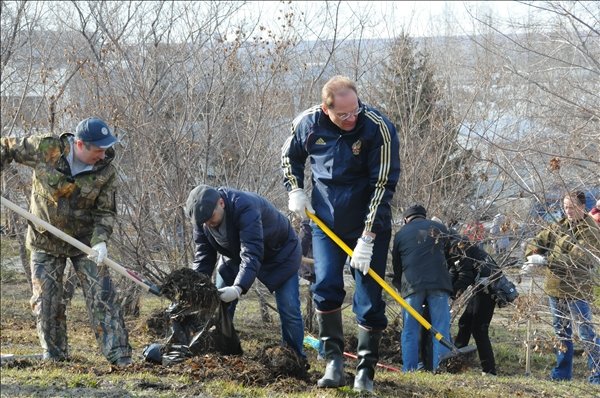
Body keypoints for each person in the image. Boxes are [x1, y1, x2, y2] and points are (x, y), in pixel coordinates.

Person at [281, 75, 400, 392]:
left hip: (368, 221)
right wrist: (295, 191)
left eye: (355, 111)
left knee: (368, 296)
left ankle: (365, 371)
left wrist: (368, 237)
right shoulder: (308, 124)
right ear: (326, 109)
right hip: (325, 222)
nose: (351, 119)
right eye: (343, 115)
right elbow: (289, 157)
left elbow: (383, 186)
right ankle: (334, 363)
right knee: (327, 285)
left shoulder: (377, 128)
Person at [0, 117, 132, 366]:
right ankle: (55, 357)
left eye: (106, 149)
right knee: (46, 301)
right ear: (80, 144)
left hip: (86, 242)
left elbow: (106, 212)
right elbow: (6, 146)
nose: (103, 155)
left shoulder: (105, 170)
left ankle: (120, 356)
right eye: (98, 150)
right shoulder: (46, 149)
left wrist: (100, 241)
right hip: (44, 238)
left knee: (102, 295)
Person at [184, 184, 306, 361]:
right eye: (204, 221)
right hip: (235, 255)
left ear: (221, 203)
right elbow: (204, 256)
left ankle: (294, 358)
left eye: (211, 217)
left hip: (279, 253)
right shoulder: (202, 218)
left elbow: (251, 253)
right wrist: (194, 286)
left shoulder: (245, 206)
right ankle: (219, 352)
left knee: (289, 308)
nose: (209, 223)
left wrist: (238, 288)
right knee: (218, 305)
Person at [523, 190, 600, 384]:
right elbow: (539, 238)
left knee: (586, 334)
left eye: (572, 207)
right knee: (561, 333)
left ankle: (597, 375)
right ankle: (562, 374)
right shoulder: (561, 225)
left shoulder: (589, 229)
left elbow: (579, 258)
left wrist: (546, 259)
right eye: (565, 207)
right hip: (555, 288)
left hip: (576, 289)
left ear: (582, 207)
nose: (568, 211)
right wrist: (532, 254)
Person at [391, 205, 453, 372]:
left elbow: (397, 265)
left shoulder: (401, 234)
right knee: (441, 328)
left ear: (406, 219)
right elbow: (449, 256)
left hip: (412, 285)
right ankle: (441, 369)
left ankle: (409, 369)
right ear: (425, 216)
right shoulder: (440, 228)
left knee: (410, 330)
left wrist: (399, 286)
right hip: (438, 284)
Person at [447, 236, 498, 376]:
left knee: (479, 329)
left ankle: (489, 370)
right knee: (465, 323)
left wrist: (450, 294)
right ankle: (454, 363)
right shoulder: (462, 247)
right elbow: (455, 270)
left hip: (487, 289)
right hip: (481, 288)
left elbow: (465, 276)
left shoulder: (459, 249)